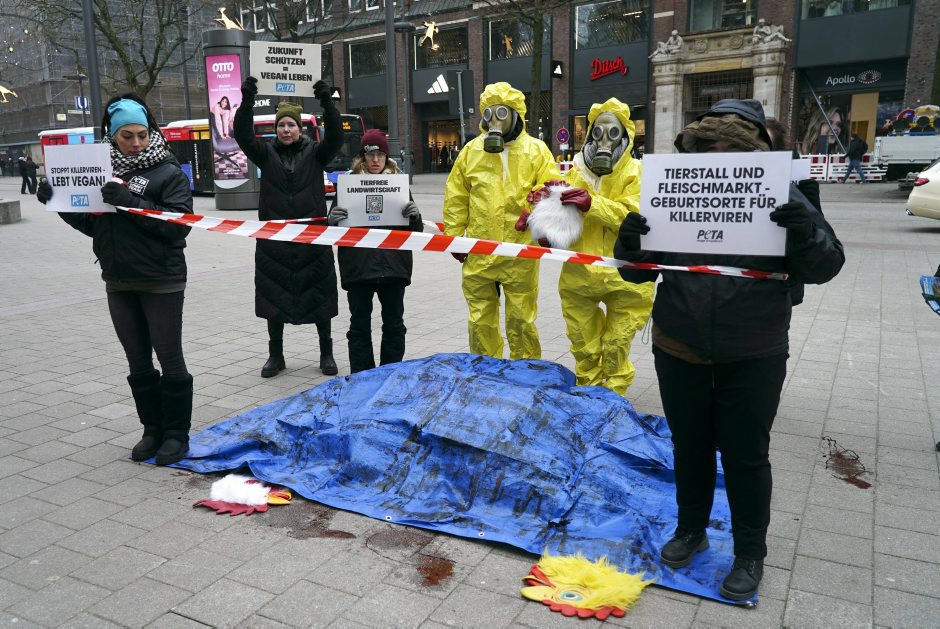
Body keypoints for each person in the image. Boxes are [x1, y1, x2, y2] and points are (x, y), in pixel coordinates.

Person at [614, 99, 844, 601]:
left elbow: (826, 266)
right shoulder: (675, 189)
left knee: (746, 456)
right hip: (678, 345)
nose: (719, 157)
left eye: (731, 148)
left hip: (753, 349)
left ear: (755, 151)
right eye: (709, 147)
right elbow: (637, 273)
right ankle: (690, 530)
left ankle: (749, 553)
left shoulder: (786, 191)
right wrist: (629, 246)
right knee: (689, 447)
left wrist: (804, 234)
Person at [36, 94, 195, 466]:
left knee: (170, 359)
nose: (136, 143)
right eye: (127, 136)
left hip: (161, 280)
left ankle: (176, 434)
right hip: (119, 282)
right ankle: (152, 429)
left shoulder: (168, 171)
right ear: (112, 136)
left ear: (150, 132)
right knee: (138, 363)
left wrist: (132, 202)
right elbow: (94, 226)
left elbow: (178, 228)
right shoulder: (101, 172)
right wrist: (59, 203)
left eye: (142, 134)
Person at [542, 98, 653, 394]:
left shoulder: (638, 173)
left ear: (625, 136)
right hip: (579, 275)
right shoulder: (574, 173)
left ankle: (613, 400)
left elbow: (633, 217)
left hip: (625, 276)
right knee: (584, 344)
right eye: (598, 132)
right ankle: (589, 398)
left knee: (616, 344)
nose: (604, 139)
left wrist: (592, 204)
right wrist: (541, 221)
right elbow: (564, 219)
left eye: (613, 132)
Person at [442, 82, 561, 360]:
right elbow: (456, 195)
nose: (495, 120)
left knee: (521, 320)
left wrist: (537, 209)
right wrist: (454, 237)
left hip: (520, 251)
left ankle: (524, 373)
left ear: (515, 115)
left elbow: (552, 187)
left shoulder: (535, 151)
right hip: (479, 250)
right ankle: (485, 371)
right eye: (489, 113)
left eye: (502, 113)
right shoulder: (472, 151)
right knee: (480, 319)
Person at [235, 77, 343, 378]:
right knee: (274, 298)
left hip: (313, 240)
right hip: (275, 243)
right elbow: (242, 135)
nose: (286, 130)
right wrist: (246, 102)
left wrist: (328, 104)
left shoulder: (316, 153)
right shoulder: (264, 153)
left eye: (291, 125)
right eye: (281, 125)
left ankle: (326, 353)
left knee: (320, 298)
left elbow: (336, 138)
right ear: (275, 129)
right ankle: (276, 355)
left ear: (300, 128)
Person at [327, 129, 424, 373]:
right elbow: (333, 230)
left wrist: (414, 217)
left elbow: (415, 232)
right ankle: (363, 377)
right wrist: (332, 220)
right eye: (370, 154)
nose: (375, 160)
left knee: (394, 325)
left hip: (393, 267)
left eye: (380, 154)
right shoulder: (348, 185)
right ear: (362, 157)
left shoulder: (398, 184)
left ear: (387, 158)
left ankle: (389, 374)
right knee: (359, 326)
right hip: (358, 268)